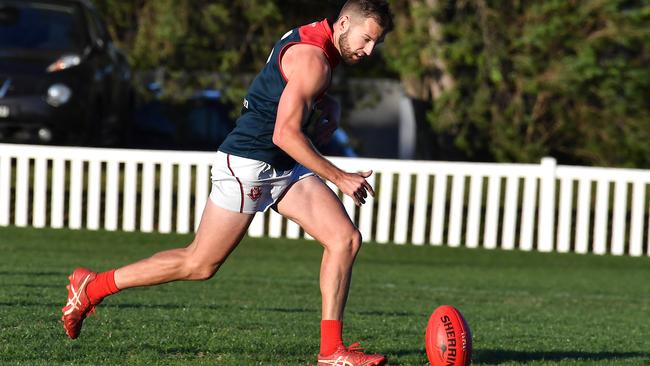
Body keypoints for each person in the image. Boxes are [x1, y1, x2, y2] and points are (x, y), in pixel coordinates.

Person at [61, 1, 393, 365]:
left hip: (282, 166)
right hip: (250, 164)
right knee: (199, 264)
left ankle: (331, 351)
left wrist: (328, 104)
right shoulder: (314, 59)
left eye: (375, 43)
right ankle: (93, 287)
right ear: (344, 22)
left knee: (344, 239)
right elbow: (285, 133)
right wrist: (339, 176)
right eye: (365, 40)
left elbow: (286, 87)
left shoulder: (316, 40)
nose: (368, 51)